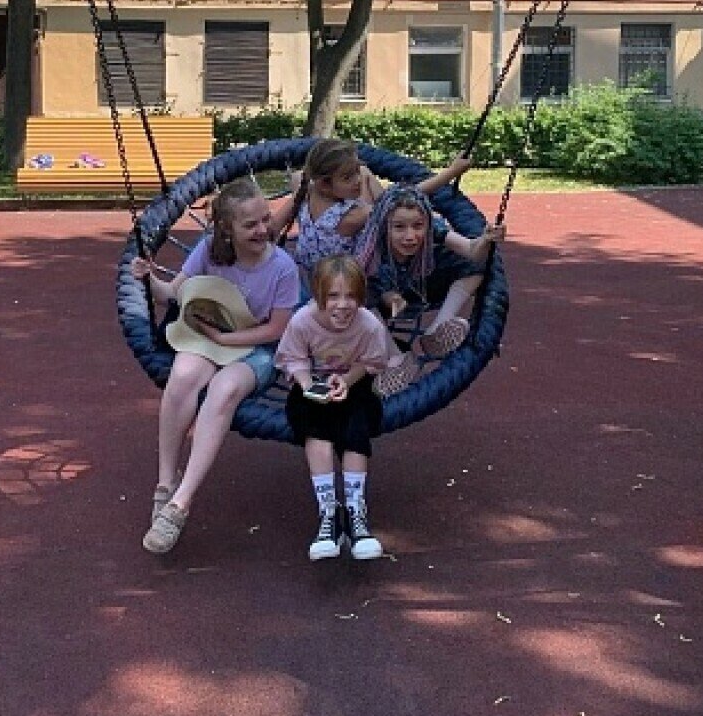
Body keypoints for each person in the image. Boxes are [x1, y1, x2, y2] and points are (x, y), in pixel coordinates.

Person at [132, 176, 300, 555]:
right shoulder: (209, 250)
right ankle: (165, 482)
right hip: (211, 336)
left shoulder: (282, 267)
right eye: (250, 224)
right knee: (182, 376)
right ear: (227, 228)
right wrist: (149, 278)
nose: (263, 230)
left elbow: (277, 330)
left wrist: (226, 341)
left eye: (265, 219)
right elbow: (173, 293)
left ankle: (181, 502)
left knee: (223, 389)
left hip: (258, 347)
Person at [275, 255, 400, 561]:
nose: (342, 305)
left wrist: (346, 380)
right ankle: (329, 513)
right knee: (316, 429)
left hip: (354, 386)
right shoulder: (302, 321)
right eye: (333, 296)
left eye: (351, 296)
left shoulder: (369, 325)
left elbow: (371, 362)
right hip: (311, 387)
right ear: (318, 295)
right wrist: (308, 385)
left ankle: (356, 514)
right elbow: (293, 359)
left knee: (356, 428)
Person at [272, 137, 474, 281]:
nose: (357, 181)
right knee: (406, 214)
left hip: (311, 271)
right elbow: (405, 196)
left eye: (355, 173)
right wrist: (451, 172)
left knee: (367, 175)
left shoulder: (304, 187)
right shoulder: (351, 216)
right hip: (344, 279)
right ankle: (461, 244)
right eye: (347, 177)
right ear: (324, 184)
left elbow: (275, 225)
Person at [355, 183, 505, 360]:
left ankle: (437, 330)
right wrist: (391, 299)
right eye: (399, 227)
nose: (410, 236)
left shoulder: (433, 228)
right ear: (384, 227)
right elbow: (374, 289)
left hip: (418, 287)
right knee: (359, 292)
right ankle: (392, 355)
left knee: (476, 263)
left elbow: (471, 250)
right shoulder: (371, 248)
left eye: (418, 226)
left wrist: (486, 239)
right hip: (382, 300)